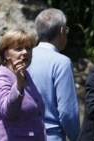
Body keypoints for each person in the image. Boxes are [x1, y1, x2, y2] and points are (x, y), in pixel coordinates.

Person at [27, 8, 80, 141]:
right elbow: (68, 113)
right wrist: (77, 137)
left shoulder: (24, 57)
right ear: (62, 32)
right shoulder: (62, 62)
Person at [0, 29, 46, 141]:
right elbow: (8, 112)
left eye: (28, 48)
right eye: (19, 48)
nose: (25, 52)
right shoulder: (2, 76)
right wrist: (19, 84)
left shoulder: (25, 74)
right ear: (5, 53)